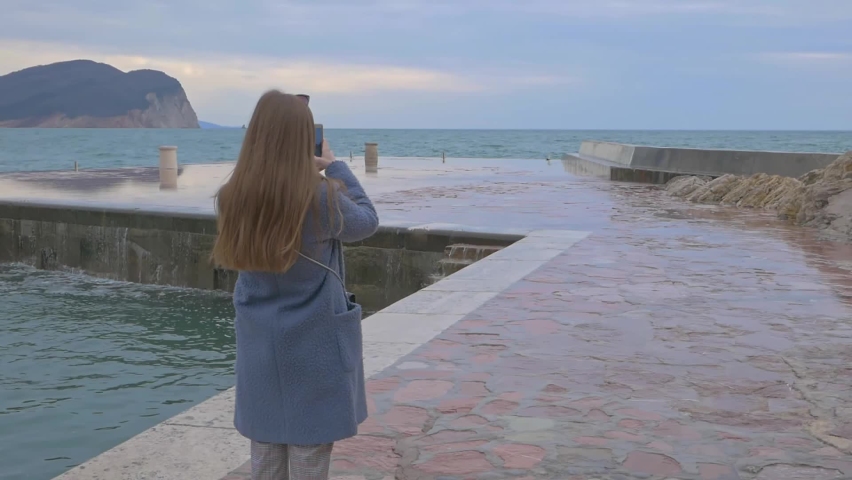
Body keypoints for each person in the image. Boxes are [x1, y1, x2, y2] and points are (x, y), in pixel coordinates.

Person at [212, 90, 379, 480]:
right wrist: (335, 167)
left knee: (266, 450)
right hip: (313, 344)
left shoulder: (231, 196)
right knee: (309, 452)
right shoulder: (319, 196)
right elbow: (367, 221)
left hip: (260, 342)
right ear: (304, 139)